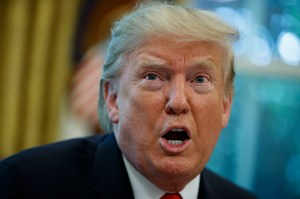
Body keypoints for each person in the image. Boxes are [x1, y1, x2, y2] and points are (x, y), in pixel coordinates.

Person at [0, 2, 257, 199]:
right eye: (153, 76)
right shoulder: (25, 185)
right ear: (112, 99)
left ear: (225, 106)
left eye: (200, 80)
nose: (178, 102)